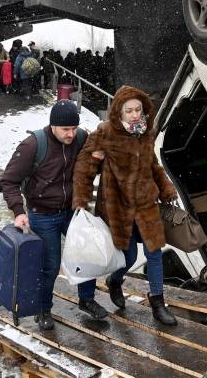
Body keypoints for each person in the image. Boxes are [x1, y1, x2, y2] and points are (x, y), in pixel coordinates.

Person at [73, 85, 179, 326]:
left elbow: (153, 165)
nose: (134, 115)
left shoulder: (145, 133)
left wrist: (166, 187)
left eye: (138, 110)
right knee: (128, 257)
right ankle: (115, 280)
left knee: (154, 253)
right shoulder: (104, 134)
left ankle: (158, 303)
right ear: (119, 112)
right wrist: (81, 200)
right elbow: (84, 169)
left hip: (145, 206)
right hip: (117, 209)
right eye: (129, 110)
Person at [1, 100, 108, 330]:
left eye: (74, 128)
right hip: (43, 214)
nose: (71, 134)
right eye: (65, 130)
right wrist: (18, 211)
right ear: (53, 126)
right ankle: (43, 308)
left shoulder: (80, 138)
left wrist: (99, 159)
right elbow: (9, 181)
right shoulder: (33, 145)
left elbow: (89, 165)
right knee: (50, 265)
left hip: (72, 210)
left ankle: (86, 300)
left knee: (87, 254)